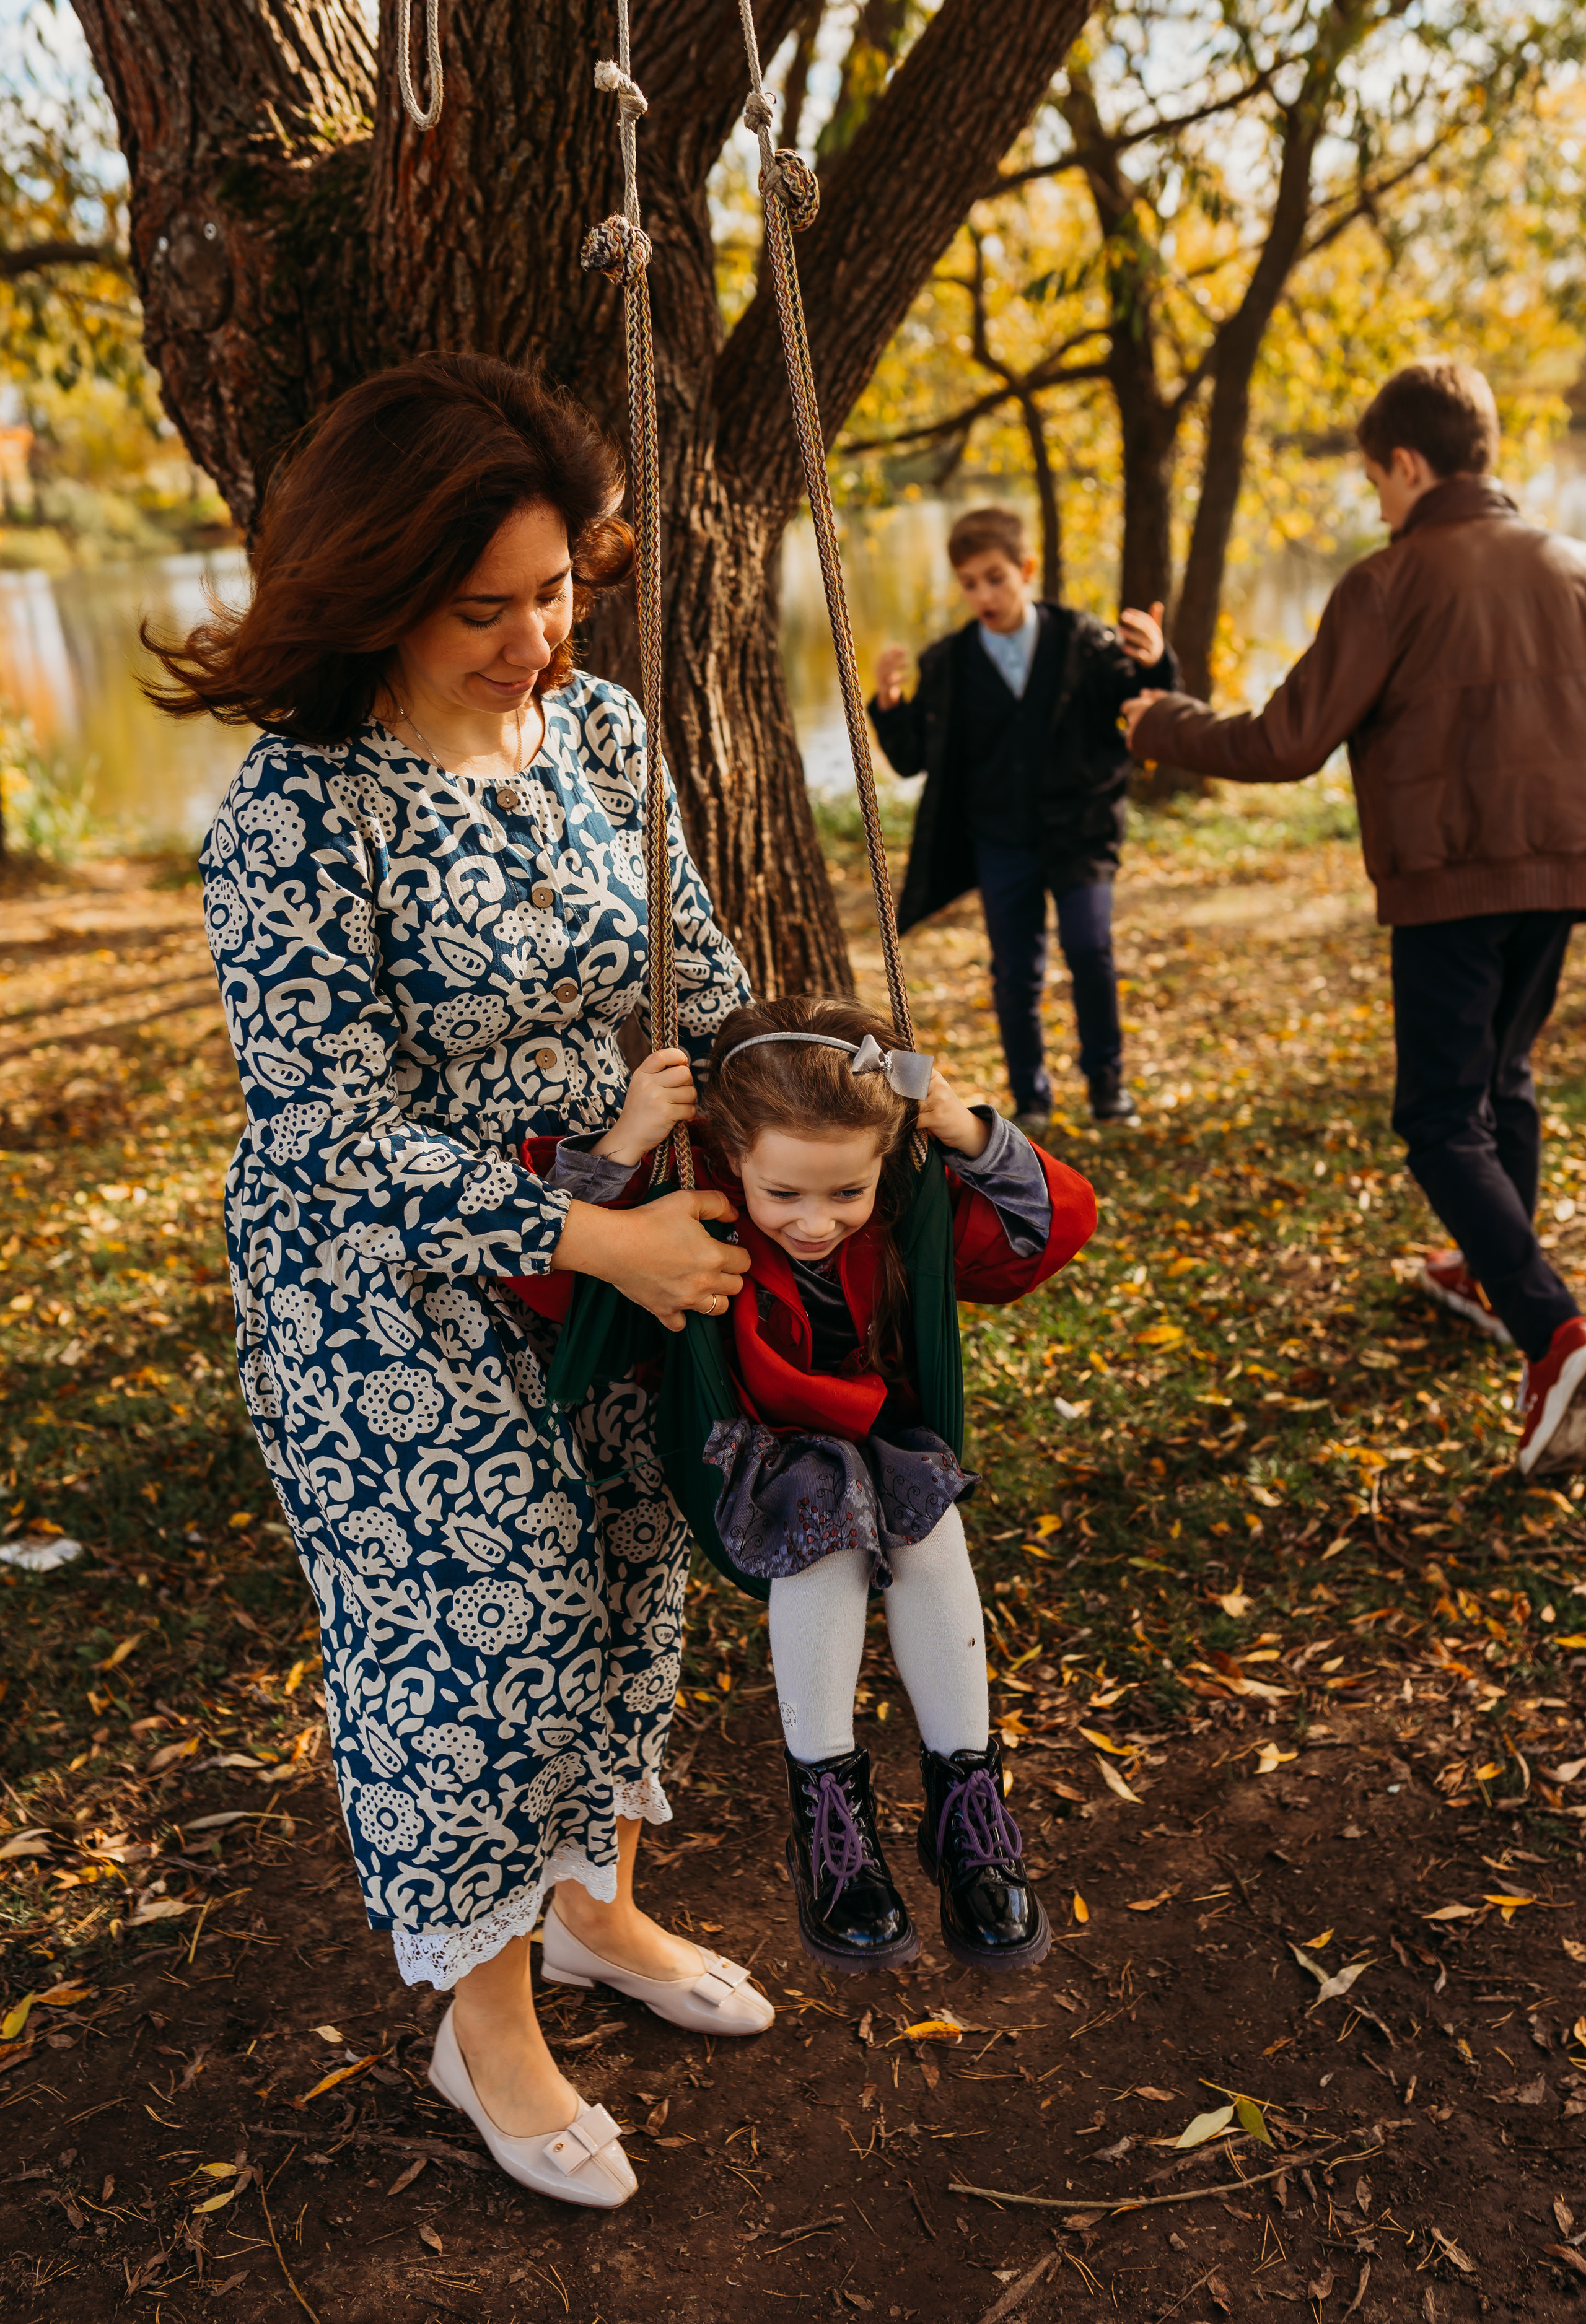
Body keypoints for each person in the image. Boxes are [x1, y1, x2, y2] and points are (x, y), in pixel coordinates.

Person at [157, 354, 771, 2213]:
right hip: (393, 1304)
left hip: (619, 1252)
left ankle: (598, 1912)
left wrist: (810, 1117)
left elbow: (704, 965)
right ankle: (480, 2021)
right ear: (373, 589)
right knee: (476, 1651)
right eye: (480, 606)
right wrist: (596, 1231)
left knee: (629, 1576)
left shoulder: (593, 737)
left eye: (559, 590)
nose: (533, 640)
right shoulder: (297, 809)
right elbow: (328, 1131)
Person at [517, 995, 1097, 1972]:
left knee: (931, 1528)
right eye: (785, 1194)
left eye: (846, 1194)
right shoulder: (687, 1209)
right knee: (826, 1526)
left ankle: (969, 1809)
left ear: (883, 1165)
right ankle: (830, 1826)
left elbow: (1042, 1236)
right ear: (731, 1153)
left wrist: (968, 1132)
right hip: (745, 1455)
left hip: (885, 1453)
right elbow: (553, 1281)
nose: (817, 1222)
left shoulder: (906, 1212)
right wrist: (626, 1143)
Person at [1123, 359, 1586, 1480]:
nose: (1375, 501)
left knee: (1438, 1117)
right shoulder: (1571, 563)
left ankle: (1557, 1331)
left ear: (1410, 463)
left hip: (1449, 880)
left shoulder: (1392, 580)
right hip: (1564, 870)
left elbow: (1287, 741)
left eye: (1376, 478)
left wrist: (1161, 720)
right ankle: (1487, 1268)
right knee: (1503, 1078)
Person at [868, 505, 1178, 1130]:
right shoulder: (950, 663)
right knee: (1015, 971)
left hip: (1079, 833)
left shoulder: (1084, 642)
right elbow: (909, 760)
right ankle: (1031, 1098)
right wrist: (888, 705)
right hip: (999, 840)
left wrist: (1156, 663)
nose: (983, 594)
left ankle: (1106, 1085)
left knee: (1090, 949)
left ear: (1026, 571)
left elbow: (1143, 709)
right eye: (969, 583)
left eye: (995, 578)